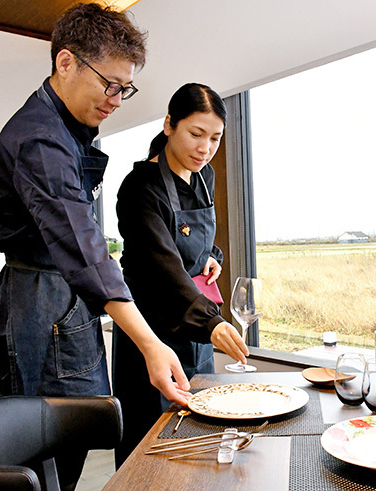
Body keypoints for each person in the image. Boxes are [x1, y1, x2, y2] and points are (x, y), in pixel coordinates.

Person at [0, 4, 190, 489]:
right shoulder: (40, 140)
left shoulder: (68, 126)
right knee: (47, 453)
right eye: (110, 84)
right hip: (41, 300)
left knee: (67, 441)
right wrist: (150, 344)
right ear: (66, 63)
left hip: (58, 295)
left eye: (126, 87)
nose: (118, 99)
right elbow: (83, 246)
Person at [113, 83, 249, 466]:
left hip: (196, 332)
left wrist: (212, 256)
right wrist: (214, 322)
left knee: (198, 435)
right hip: (152, 329)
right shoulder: (140, 187)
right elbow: (163, 268)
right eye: (196, 134)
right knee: (152, 445)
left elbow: (198, 242)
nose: (205, 148)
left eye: (215, 138)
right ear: (169, 124)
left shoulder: (204, 177)